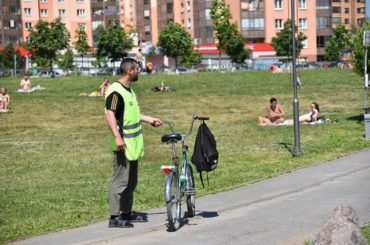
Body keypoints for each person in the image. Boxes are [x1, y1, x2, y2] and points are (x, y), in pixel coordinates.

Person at [105, 57, 163, 228]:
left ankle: (126, 213)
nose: (139, 71)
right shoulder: (116, 91)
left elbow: (132, 114)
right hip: (122, 143)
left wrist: (150, 119)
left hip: (133, 143)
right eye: (137, 68)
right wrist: (117, 136)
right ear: (130, 70)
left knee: (131, 181)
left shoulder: (129, 90)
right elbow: (110, 114)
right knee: (120, 180)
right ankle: (115, 217)